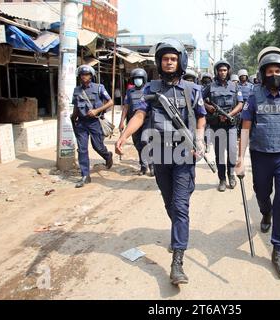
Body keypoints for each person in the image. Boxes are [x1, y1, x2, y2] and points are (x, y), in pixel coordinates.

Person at [116, 38, 207, 286]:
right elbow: (140, 114)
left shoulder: (192, 89)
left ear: (180, 62)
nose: (169, 62)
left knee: (179, 206)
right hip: (159, 153)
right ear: (159, 62)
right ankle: (178, 231)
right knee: (170, 203)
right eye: (165, 58)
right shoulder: (150, 88)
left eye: (173, 58)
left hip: (183, 155)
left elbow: (200, 118)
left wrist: (200, 141)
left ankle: (177, 261)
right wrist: (124, 135)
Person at [236, 47, 280, 280]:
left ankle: (278, 250)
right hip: (260, 155)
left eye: (277, 70)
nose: (273, 74)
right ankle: (265, 213)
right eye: (269, 71)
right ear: (262, 73)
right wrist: (239, 159)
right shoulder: (254, 98)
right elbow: (245, 130)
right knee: (262, 193)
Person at [203, 60, 244, 192]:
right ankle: (222, 179)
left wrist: (229, 114)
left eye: (225, 70)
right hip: (217, 125)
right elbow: (200, 101)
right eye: (220, 70)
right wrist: (210, 109)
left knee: (232, 151)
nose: (222, 72)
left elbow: (240, 103)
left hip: (230, 124)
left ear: (228, 71)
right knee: (220, 154)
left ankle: (231, 175)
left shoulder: (234, 86)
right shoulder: (210, 87)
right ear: (216, 71)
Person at [71, 65, 114, 188]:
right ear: (79, 77)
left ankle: (107, 155)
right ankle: (85, 175)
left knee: (97, 146)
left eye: (87, 74)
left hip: (95, 122)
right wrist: (74, 117)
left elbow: (110, 102)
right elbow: (76, 106)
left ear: (91, 76)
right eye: (82, 75)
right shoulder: (77, 90)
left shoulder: (99, 88)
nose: (84, 77)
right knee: (82, 149)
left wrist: (97, 110)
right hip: (81, 123)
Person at [119, 68, 154, 176]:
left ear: (144, 79)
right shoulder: (130, 91)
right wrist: (122, 121)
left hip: (147, 120)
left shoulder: (150, 89)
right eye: (135, 79)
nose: (137, 81)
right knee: (138, 144)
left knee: (146, 141)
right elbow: (126, 106)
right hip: (133, 120)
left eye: (139, 78)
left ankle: (152, 165)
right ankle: (143, 166)